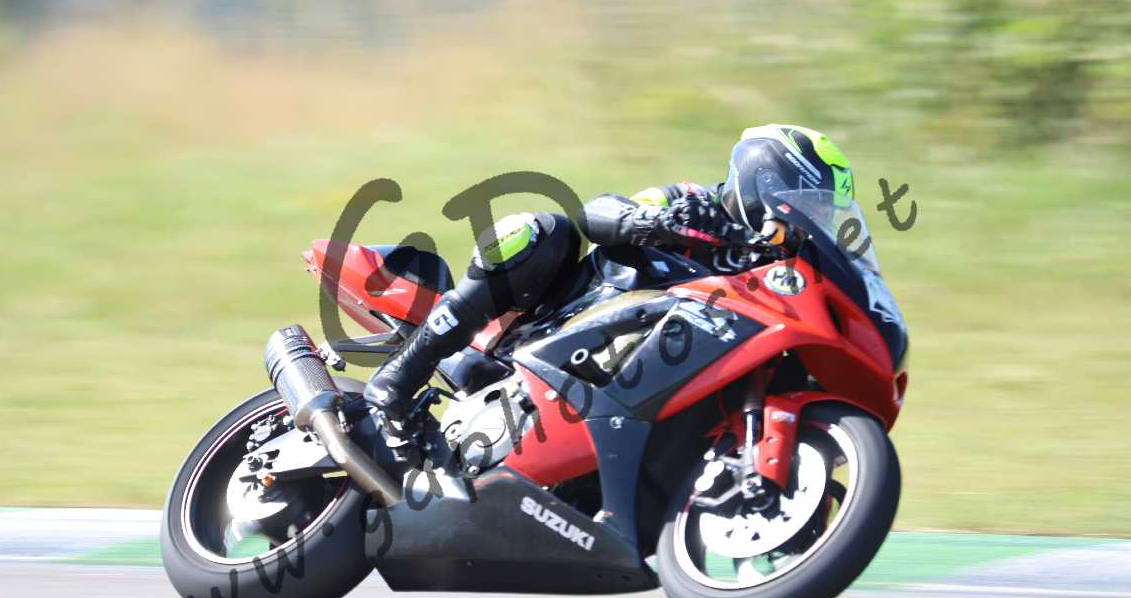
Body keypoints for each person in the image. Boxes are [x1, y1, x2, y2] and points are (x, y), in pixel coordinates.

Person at [363, 123, 854, 436]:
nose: (810, 219)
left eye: (822, 212)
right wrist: (654, 221)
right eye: (807, 202)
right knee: (543, 231)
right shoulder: (695, 201)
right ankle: (403, 371)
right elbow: (596, 213)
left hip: (633, 387)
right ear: (763, 181)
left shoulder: (779, 272)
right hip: (551, 328)